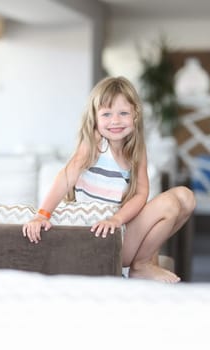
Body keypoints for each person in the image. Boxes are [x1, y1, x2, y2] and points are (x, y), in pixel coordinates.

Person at [22, 76, 195, 283]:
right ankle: (140, 266)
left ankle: (144, 259)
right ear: (95, 118)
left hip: (118, 228)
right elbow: (67, 176)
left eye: (123, 113)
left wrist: (117, 219)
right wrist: (42, 214)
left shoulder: (136, 151)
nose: (115, 121)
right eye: (106, 114)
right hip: (101, 238)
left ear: (135, 115)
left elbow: (141, 194)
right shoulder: (96, 144)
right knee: (168, 204)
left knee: (186, 197)